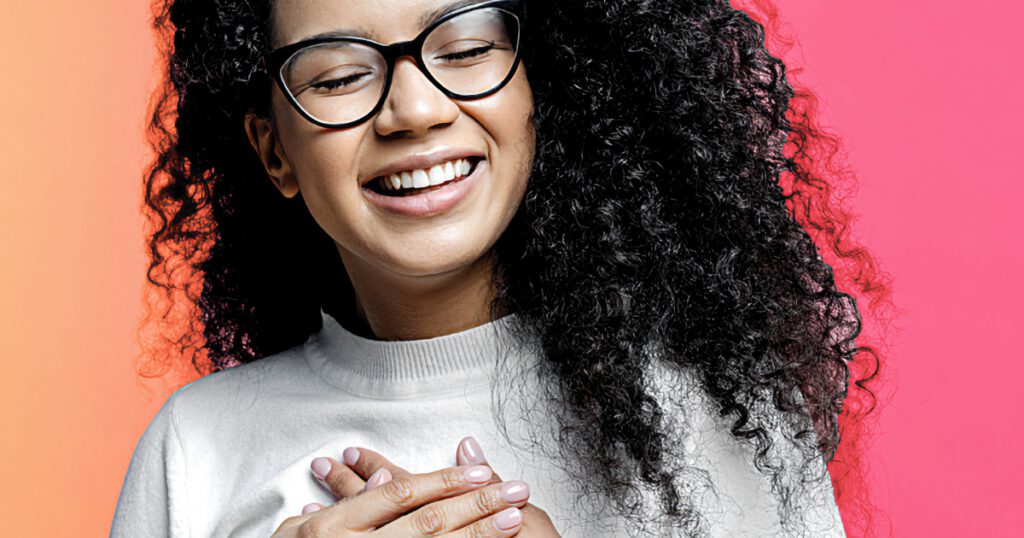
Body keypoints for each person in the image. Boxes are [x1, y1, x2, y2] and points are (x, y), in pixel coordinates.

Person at [112, 0, 886, 536]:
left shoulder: (716, 418)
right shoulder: (196, 448)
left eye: (469, 46)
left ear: (540, 91)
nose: (414, 110)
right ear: (274, 149)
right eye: (340, 74)